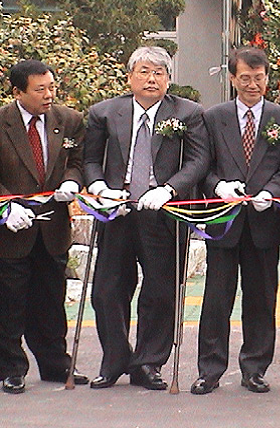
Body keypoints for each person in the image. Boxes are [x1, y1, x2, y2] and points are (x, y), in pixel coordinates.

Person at [84, 46, 209, 390]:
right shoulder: (104, 112)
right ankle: (114, 359)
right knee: (108, 290)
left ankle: (148, 363)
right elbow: (90, 159)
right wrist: (99, 186)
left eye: (159, 73)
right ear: (130, 76)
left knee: (161, 290)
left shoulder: (189, 112)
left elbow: (198, 161)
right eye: (144, 71)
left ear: (169, 79)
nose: (151, 79)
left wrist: (169, 189)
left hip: (163, 212)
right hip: (118, 210)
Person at [191, 47, 280, 395]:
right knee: (216, 300)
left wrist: (273, 191)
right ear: (232, 78)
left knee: (261, 300)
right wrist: (218, 185)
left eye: (259, 78)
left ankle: (254, 368)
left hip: (263, 223)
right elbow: (202, 166)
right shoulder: (214, 117)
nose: (252, 85)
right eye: (245, 78)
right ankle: (210, 369)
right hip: (224, 221)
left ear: (268, 77)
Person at [0, 60, 86, 394]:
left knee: (51, 300)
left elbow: (76, 163)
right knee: (10, 300)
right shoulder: (3, 122)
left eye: (52, 87)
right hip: (11, 230)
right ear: (18, 91)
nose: (49, 95)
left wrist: (72, 182)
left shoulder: (69, 120)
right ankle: (11, 367)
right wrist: (7, 205)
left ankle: (55, 364)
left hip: (52, 228)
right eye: (40, 90)